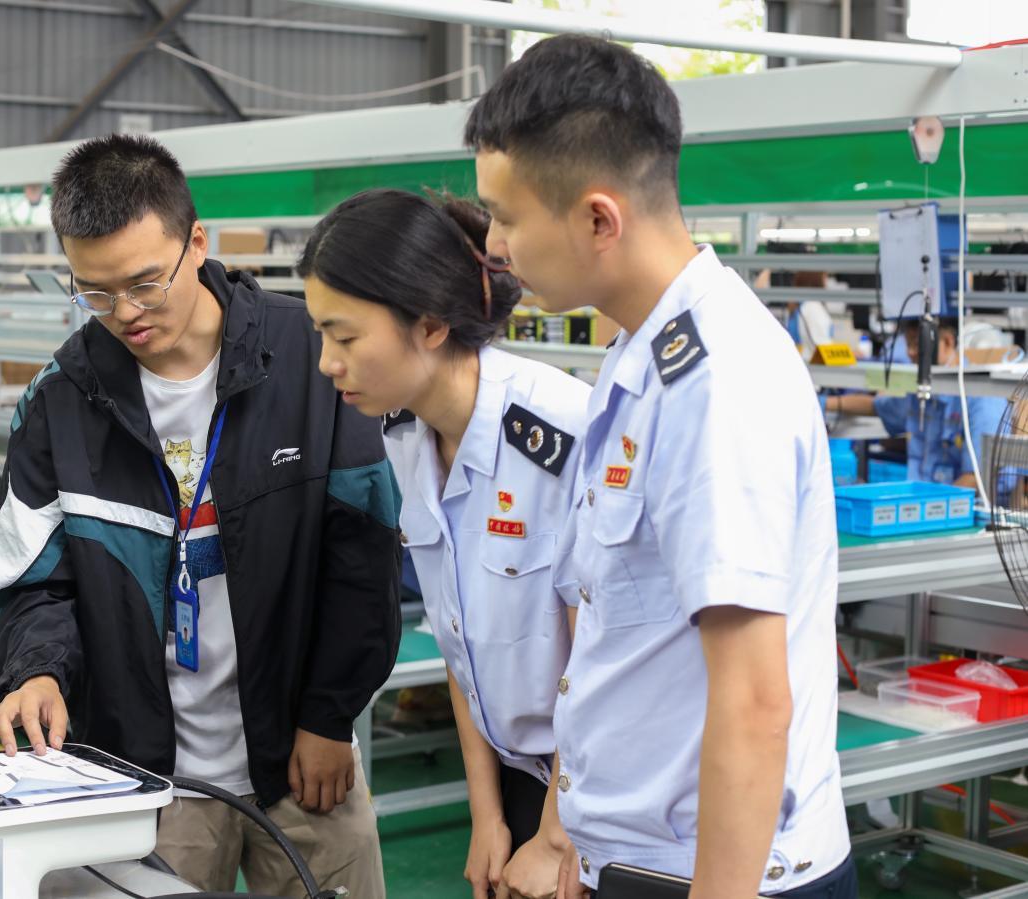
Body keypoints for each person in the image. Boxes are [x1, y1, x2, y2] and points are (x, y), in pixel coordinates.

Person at [467, 34, 855, 899]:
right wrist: (582, 837)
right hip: (646, 860)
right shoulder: (639, 358)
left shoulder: (714, 384)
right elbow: (627, 638)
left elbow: (753, 702)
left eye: (506, 216)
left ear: (598, 219)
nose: (494, 243)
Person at [0, 135, 400, 898]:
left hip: (304, 759)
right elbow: (36, 579)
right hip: (141, 774)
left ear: (196, 243)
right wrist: (35, 670)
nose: (125, 314)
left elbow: (361, 558)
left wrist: (329, 716)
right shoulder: (60, 401)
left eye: (145, 283)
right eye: (93, 292)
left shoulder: (310, 359)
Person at [299, 189, 588, 899]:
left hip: (594, 791)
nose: (326, 363)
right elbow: (462, 643)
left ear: (429, 324)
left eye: (345, 337)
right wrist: (487, 815)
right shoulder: (406, 436)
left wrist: (556, 836)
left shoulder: (560, 438)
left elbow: (598, 664)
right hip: (520, 780)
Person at [826, 317, 1009, 487]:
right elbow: (875, 406)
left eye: (917, 344)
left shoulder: (981, 398)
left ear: (947, 342)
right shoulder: (921, 393)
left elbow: (976, 478)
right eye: (908, 344)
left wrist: (934, 507)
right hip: (923, 499)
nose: (910, 352)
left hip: (961, 505)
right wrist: (825, 403)